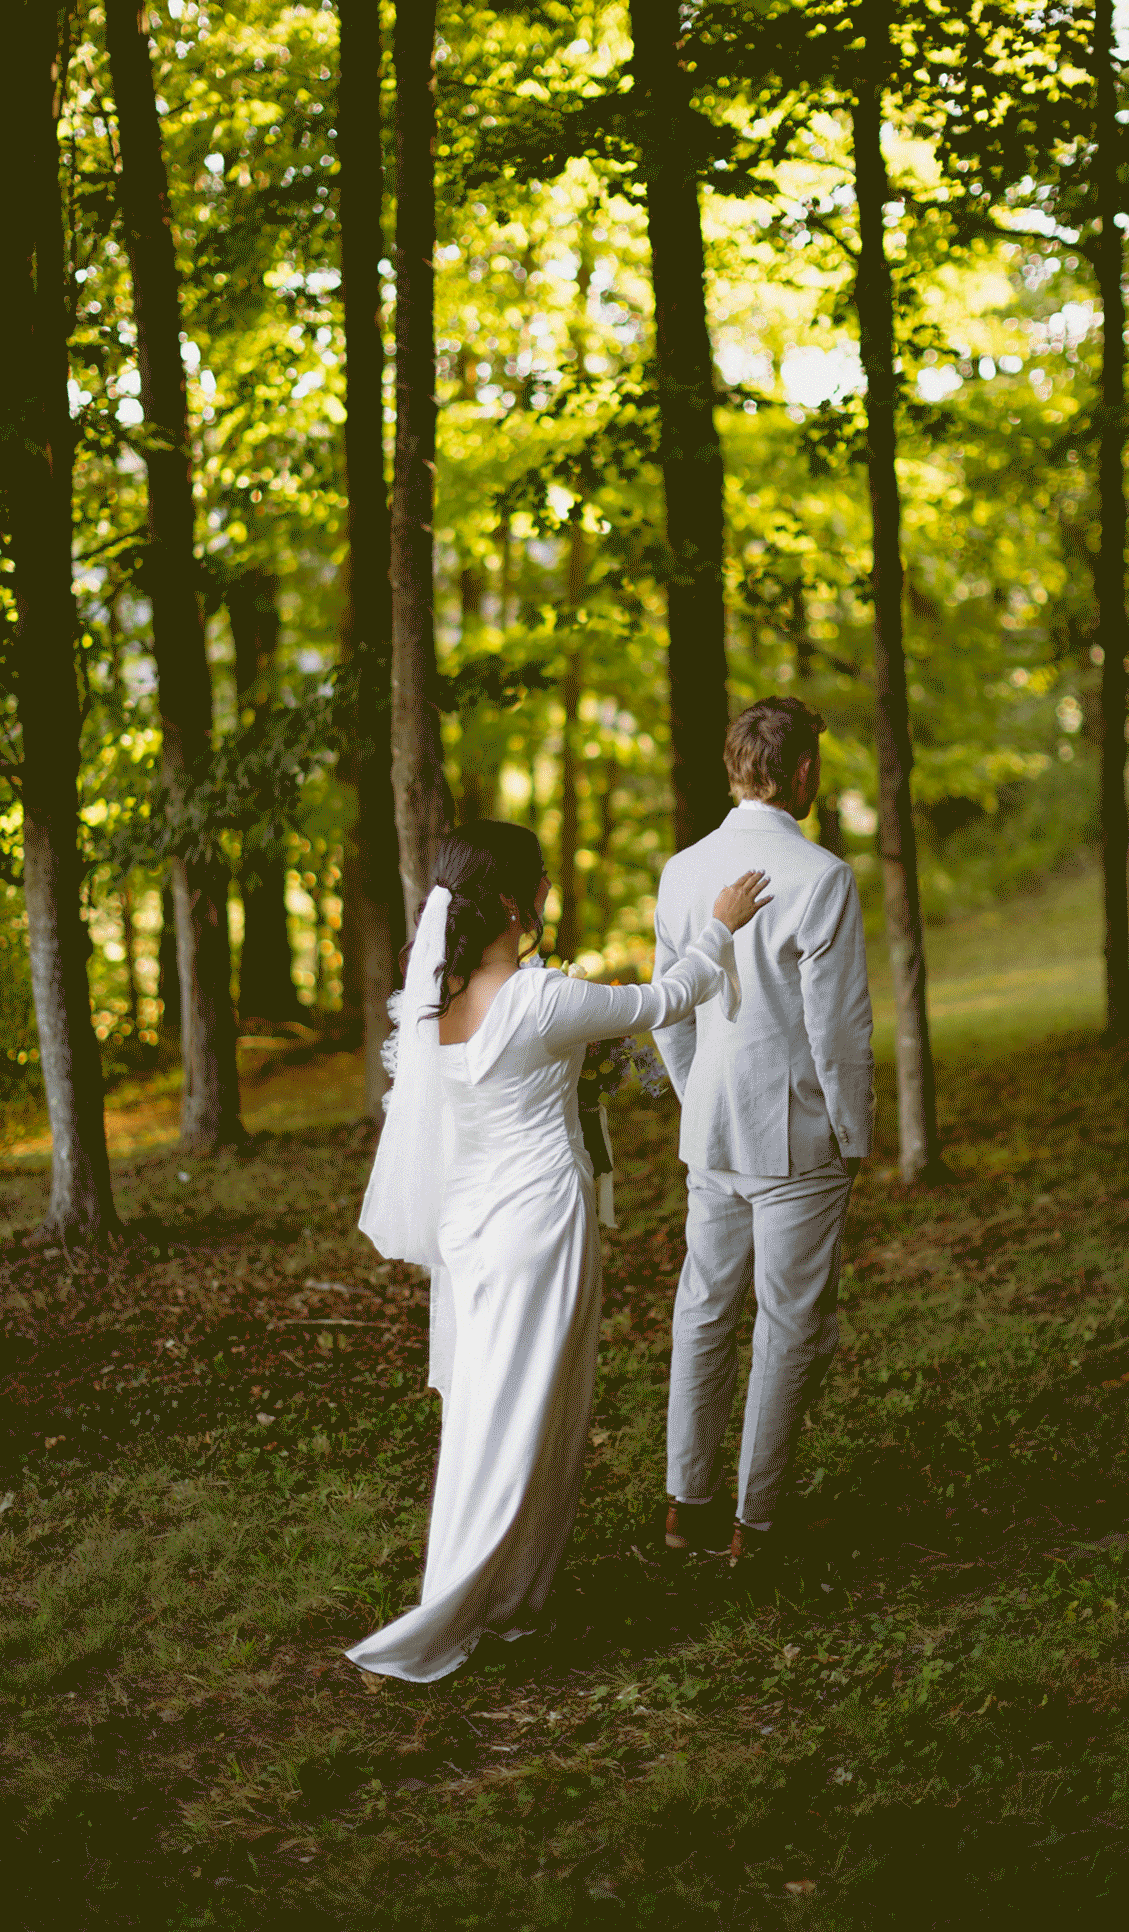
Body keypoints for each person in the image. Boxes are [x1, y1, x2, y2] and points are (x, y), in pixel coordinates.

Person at [346, 819, 770, 1683]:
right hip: (539, 1220)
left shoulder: (431, 1003)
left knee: (492, 1408)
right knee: (534, 1410)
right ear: (512, 901)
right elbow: (666, 999)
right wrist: (720, 925)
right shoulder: (540, 999)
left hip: (471, 1227)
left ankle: (509, 1595)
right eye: (538, 879)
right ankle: (465, 1601)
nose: (547, 889)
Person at [653, 698, 875, 1564]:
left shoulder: (682, 872)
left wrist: (698, 1096)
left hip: (711, 1129)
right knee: (789, 1324)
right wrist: (852, 1133)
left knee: (704, 1311)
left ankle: (688, 1507)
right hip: (797, 1135)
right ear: (805, 771)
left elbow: (671, 1013)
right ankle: (760, 1522)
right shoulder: (821, 877)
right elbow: (838, 1029)